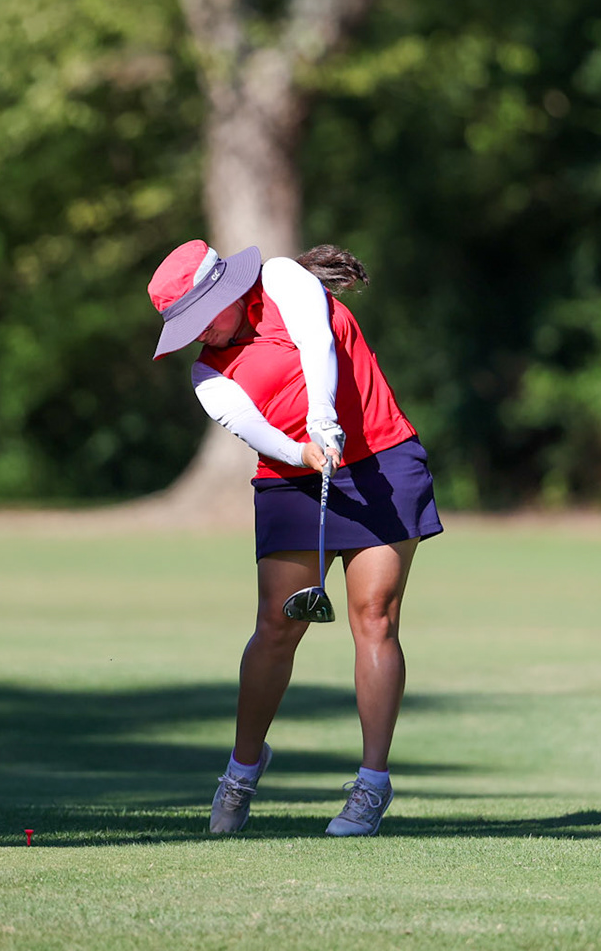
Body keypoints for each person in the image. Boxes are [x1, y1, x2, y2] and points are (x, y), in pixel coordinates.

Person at [147, 239, 443, 837]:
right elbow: (256, 431)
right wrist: (305, 449)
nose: (198, 334)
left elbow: (318, 346)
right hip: (292, 481)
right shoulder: (209, 375)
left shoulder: (283, 279)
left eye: (200, 318)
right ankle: (242, 769)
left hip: (382, 460)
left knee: (375, 617)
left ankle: (371, 785)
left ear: (225, 294)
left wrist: (324, 421)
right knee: (279, 627)